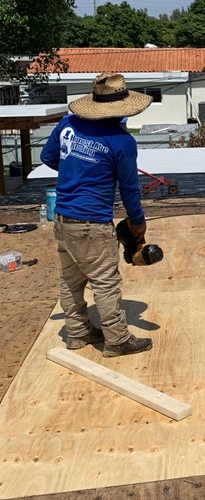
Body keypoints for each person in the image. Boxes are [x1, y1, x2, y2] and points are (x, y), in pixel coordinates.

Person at [40, 72, 155, 358]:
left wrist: (77, 171)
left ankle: (77, 333)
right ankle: (117, 340)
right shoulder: (122, 142)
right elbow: (129, 188)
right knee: (105, 282)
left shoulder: (67, 125)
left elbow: (48, 157)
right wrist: (138, 221)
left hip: (62, 218)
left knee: (71, 278)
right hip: (92, 223)